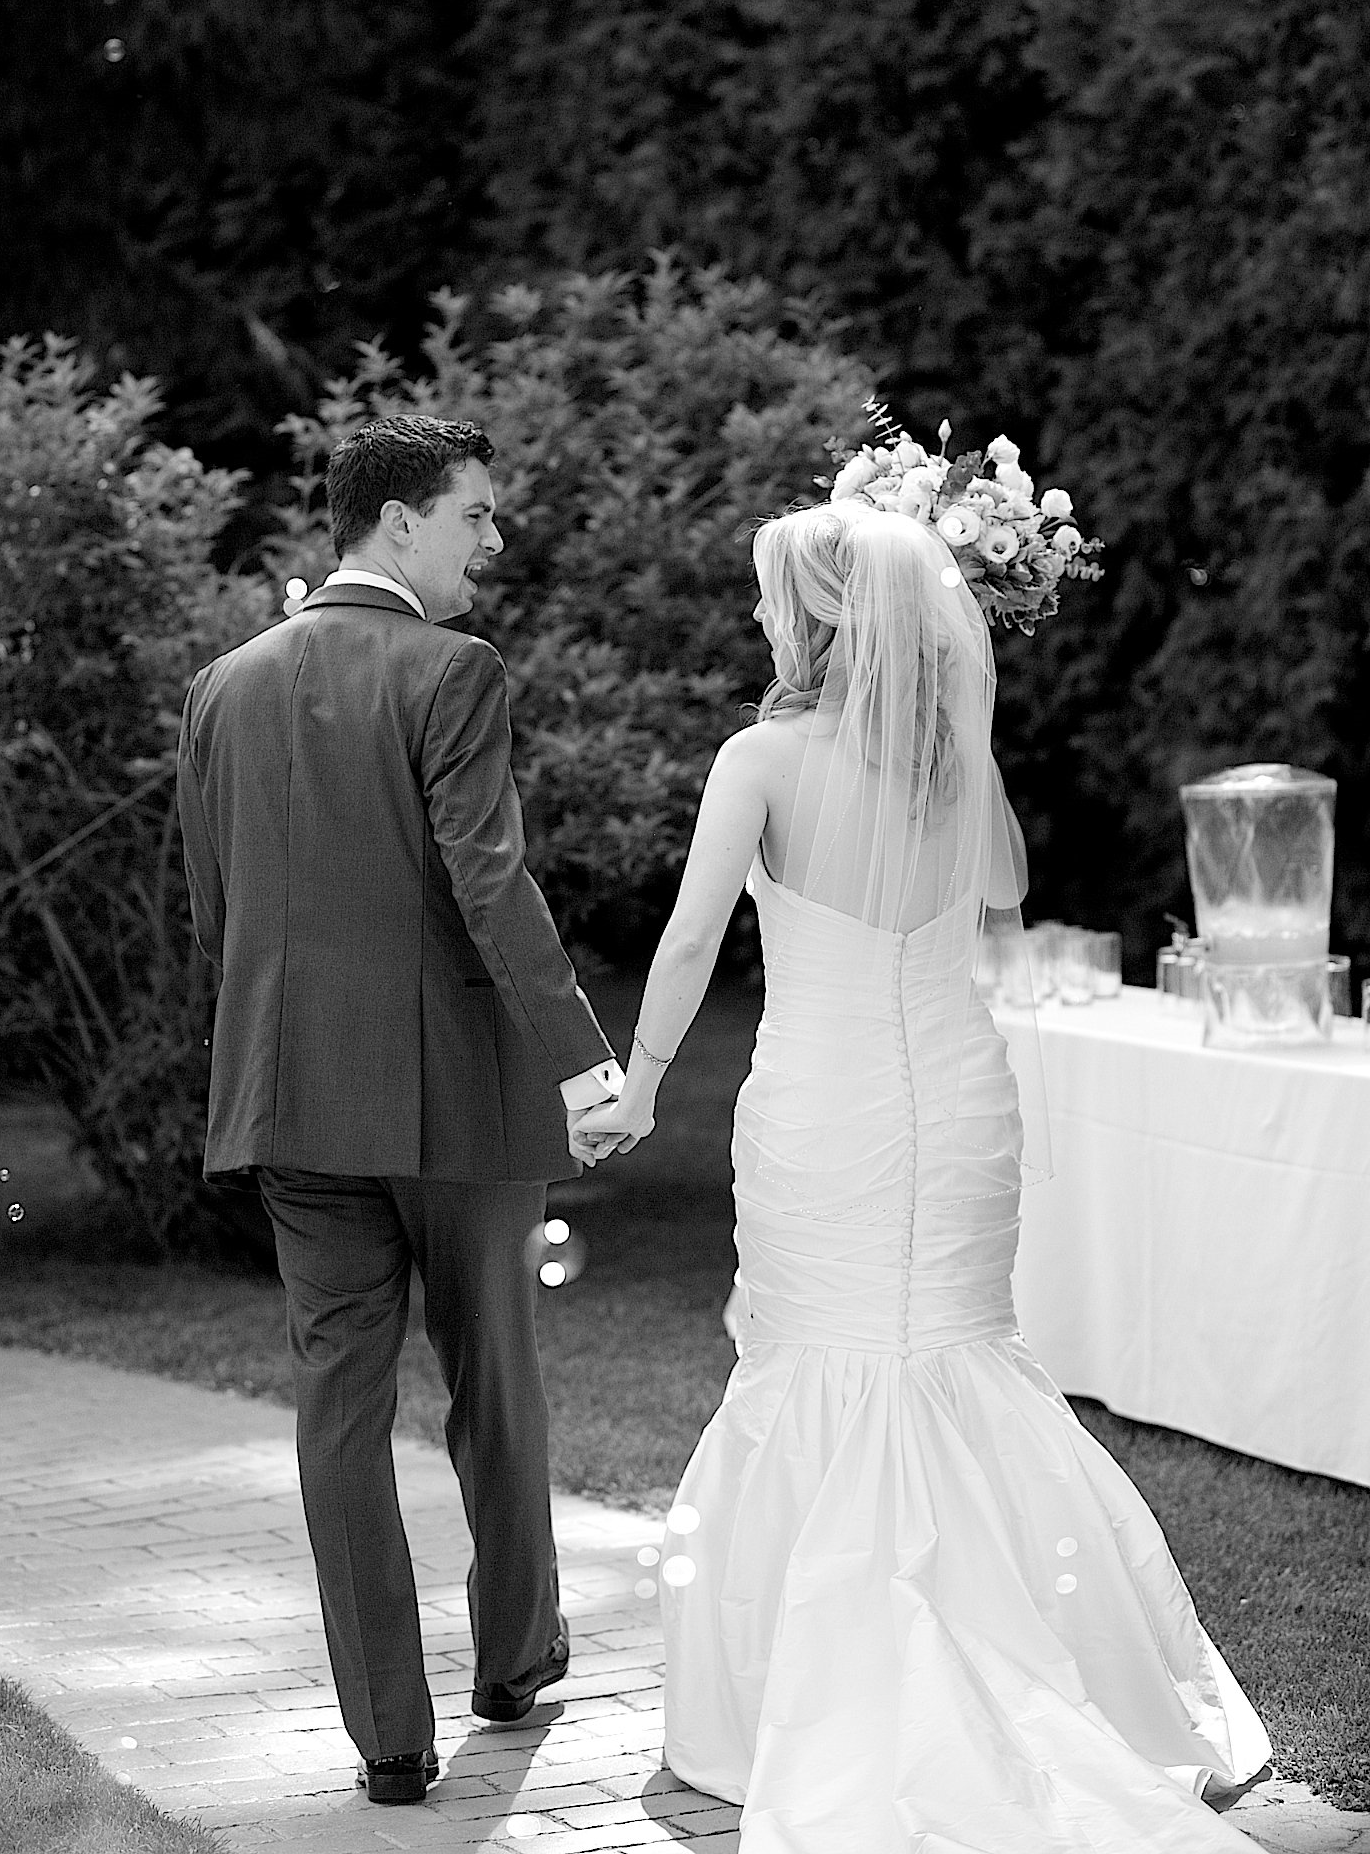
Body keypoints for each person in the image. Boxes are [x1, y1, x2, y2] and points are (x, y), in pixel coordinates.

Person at [578, 502, 1273, 1850]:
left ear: (826, 620)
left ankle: (823, 1686)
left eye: (777, 599)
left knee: (831, 1352)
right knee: (957, 1352)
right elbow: (1004, 893)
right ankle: (1057, 1658)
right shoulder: (962, 772)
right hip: (956, 1101)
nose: (763, 619)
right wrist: (952, 718)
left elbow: (682, 945)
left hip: (827, 1111)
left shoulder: (761, 758)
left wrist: (644, 1082)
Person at [176, 414, 627, 1806]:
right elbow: (490, 881)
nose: (495, 541)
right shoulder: (454, 669)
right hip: (456, 1100)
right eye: (478, 515)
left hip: (291, 1099)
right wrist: (584, 1061)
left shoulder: (221, 687)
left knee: (336, 1412)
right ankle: (513, 1658)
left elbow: (214, 912)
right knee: (495, 1373)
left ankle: (388, 1739)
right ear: (399, 523)